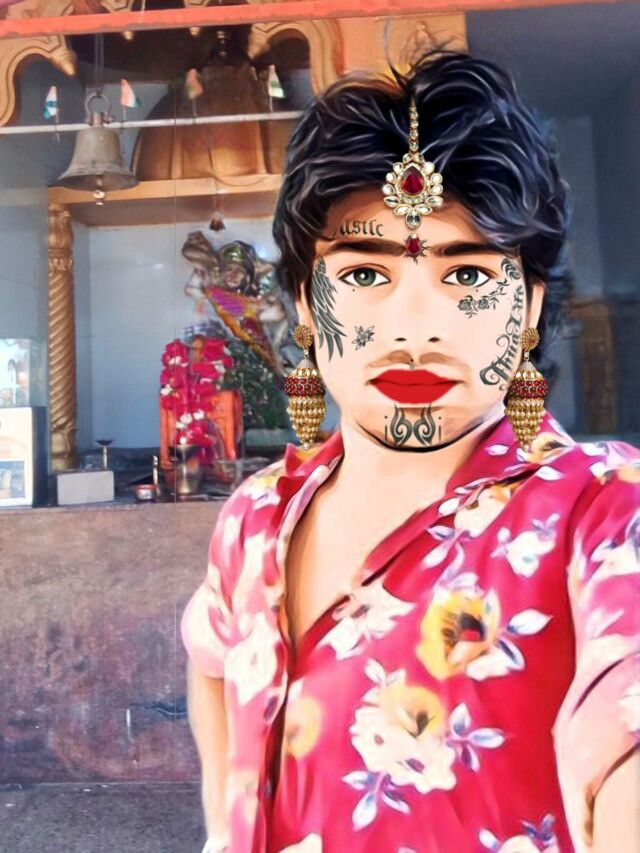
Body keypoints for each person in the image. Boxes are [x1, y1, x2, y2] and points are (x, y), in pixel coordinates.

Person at [181, 49, 640, 853]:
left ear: (530, 306)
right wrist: (225, 825)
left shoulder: (604, 514)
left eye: (468, 276)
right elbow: (211, 659)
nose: (414, 328)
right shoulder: (256, 515)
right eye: (365, 274)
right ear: (306, 305)